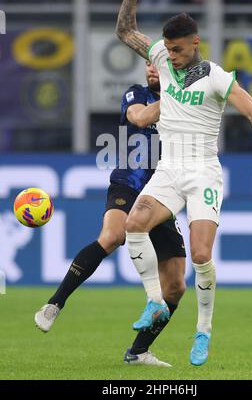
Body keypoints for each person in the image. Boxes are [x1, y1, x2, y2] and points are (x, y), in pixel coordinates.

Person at [116, 0, 252, 366]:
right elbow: (125, 30)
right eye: (167, 49)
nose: (169, 56)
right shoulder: (159, 57)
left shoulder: (215, 76)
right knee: (133, 225)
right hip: (169, 169)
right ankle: (155, 302)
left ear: (195, 43)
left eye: (176, 49)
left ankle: (203, 331)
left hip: (203, 170)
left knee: (202, 254)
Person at [34, 61, 186, 367]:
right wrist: (176, 98)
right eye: (149, 64)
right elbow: (138, 118)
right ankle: (54, 303)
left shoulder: (188, 101)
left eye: (162, 64)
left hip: (162, 194)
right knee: (113, 235)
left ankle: (138, 351)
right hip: (128, 183)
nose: (153, 69)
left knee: (176, 285)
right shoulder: (136, 94)